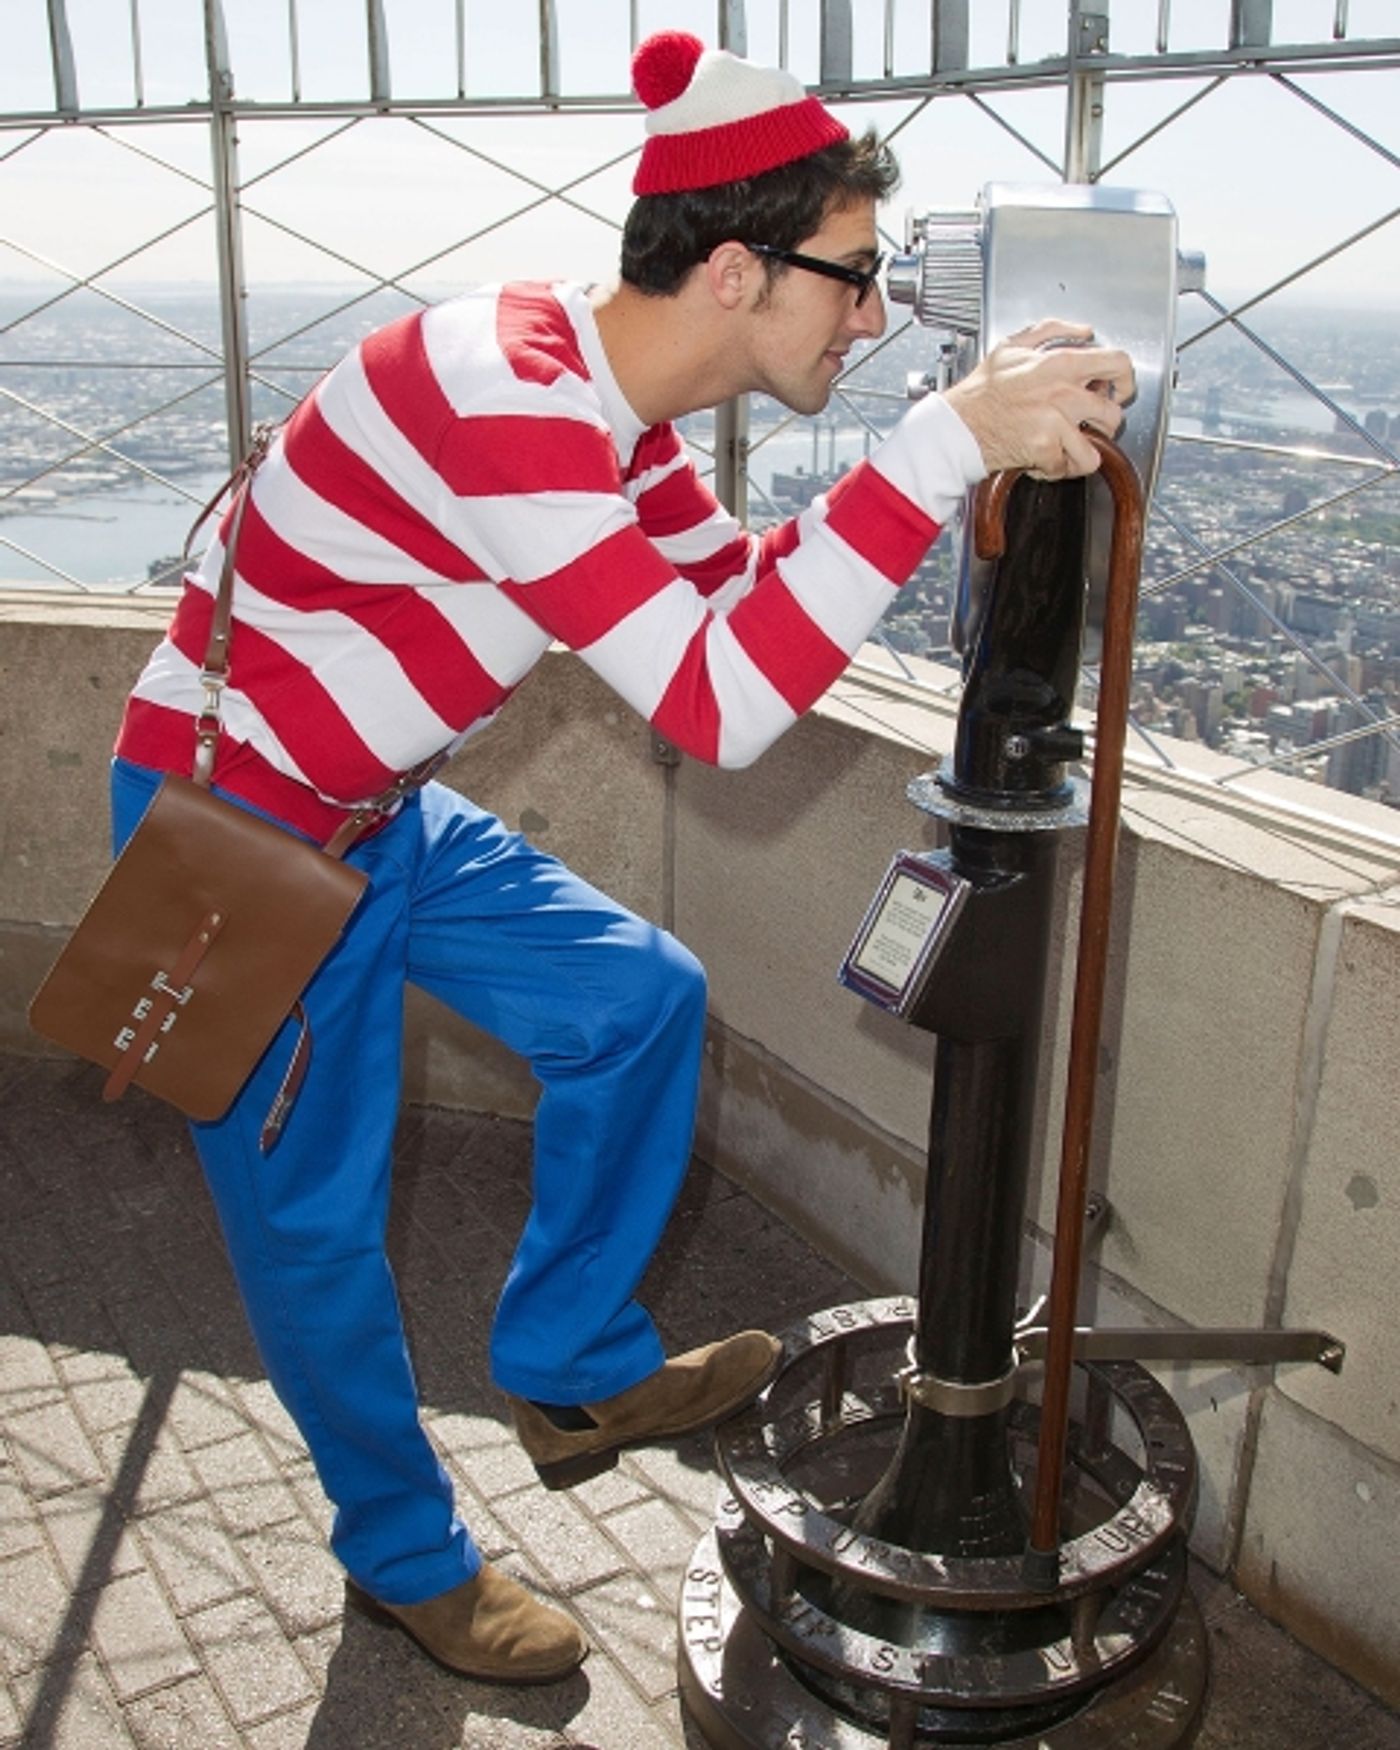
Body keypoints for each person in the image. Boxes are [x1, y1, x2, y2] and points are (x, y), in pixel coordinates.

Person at [110, 29, 1132, 1686]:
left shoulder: (606, 413)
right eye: (854, 279)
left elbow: (739, 593)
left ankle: (570, 1350)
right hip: (236, 821)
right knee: (313, 1222)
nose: (872, 323)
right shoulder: (505, 395)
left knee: (636, 997)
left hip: (374, 807)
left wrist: (949, 465)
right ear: (739, 269)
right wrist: (941, 442)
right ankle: (405, 1557)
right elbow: (723, 706)